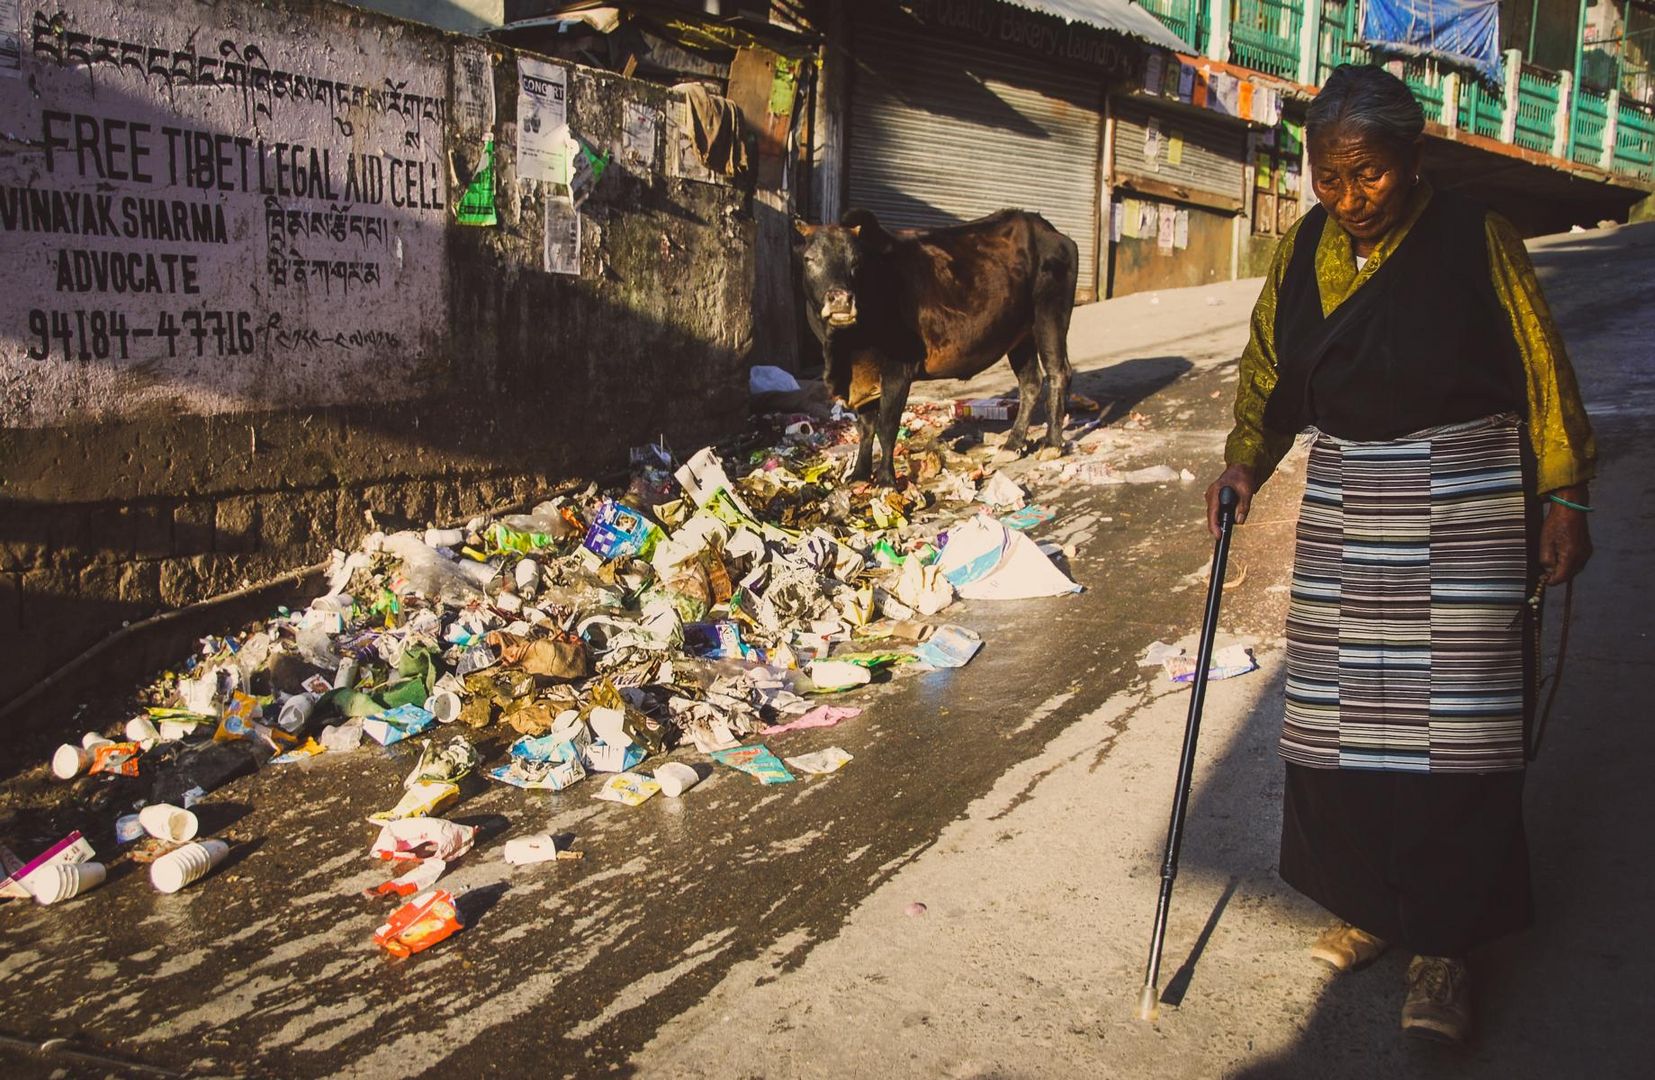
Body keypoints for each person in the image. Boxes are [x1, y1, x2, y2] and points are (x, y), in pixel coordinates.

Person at [1207, 64, 1595, 1044]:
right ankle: (1370, 906)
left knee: (1453, 735)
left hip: (1465, 499)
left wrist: (1561, 495)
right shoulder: (1303, 250)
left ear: (1411, 159)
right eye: (1326, 180)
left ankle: (1443, 950)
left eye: (1366, 175)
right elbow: (1267, 368)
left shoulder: (1476, 239)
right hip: (1348, 500)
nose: (1347, 200)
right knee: (1344, 724)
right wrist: (1243, 460)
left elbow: (1541, 369)